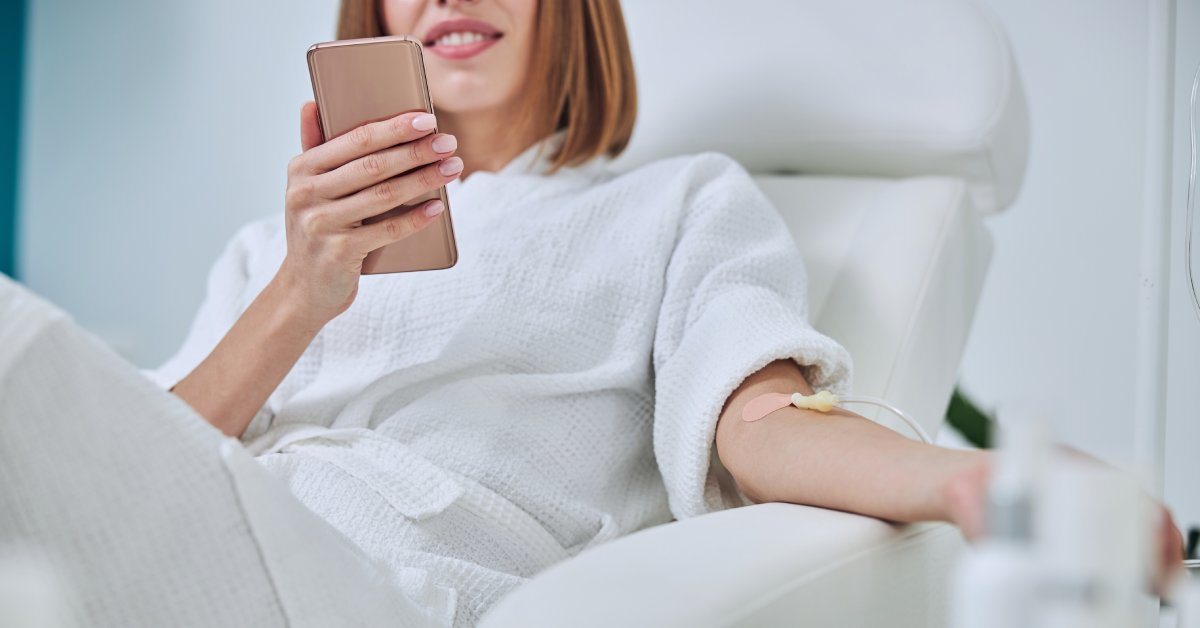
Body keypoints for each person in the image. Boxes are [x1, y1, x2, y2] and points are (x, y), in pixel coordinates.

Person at [0, 0, 1183, 626]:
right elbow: (120, 465)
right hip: (200, 550)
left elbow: (761, 424)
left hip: (384, 585)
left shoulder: (675, 206)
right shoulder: (281, 246)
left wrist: (977, 485)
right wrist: (299, 299)